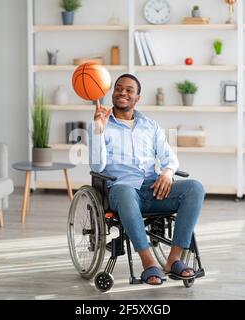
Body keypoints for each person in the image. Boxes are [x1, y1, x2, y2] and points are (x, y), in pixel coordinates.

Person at [88, 74, 206, 285]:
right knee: (124, 191)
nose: (123, 92)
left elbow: (169, 157)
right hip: (122, 191)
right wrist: (98, 130)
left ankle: (174, 260)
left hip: (152, 188)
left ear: (137, 97)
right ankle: (149, 263)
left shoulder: (150, 126)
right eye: (118, 88)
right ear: (113, 93)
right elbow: (97, 167)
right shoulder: (101, 125)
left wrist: (167, 173)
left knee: (195, 188)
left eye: (129, 90)